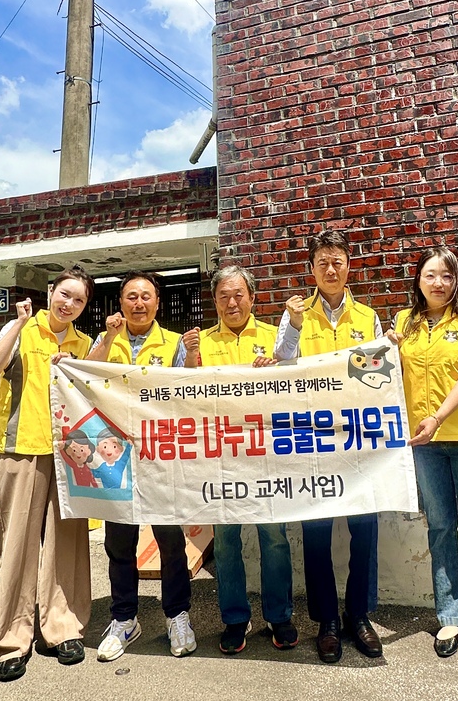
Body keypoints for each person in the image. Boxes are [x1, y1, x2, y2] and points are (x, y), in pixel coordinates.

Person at [388, 246, 458, 670]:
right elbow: (383, 373)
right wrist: (385, 349)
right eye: (430, 275)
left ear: (457, 280)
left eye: (447, 276)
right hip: (423, 442)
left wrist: (436, 417)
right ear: (417, 279)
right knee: (440, 527)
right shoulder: (404, 322)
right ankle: (450, 619)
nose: (438, 283)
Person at [0, 266, 95, 683]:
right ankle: (11, 640)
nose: (69, 304)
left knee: (69, 543)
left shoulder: (83, 344)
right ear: (50, 292)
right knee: (18, 546)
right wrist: (19, 323)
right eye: (64, 294)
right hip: (21, 450)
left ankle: (62, 628)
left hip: (69, 454)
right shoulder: (22, 328)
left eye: (78, 300)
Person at [274, 230, 383, 663]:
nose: (331, 269)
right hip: (312, 439)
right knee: (315, 532)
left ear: (348, 266)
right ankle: (327, 621)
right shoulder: (297, 314)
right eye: (323, 263)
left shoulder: (368, 316)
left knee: (365, 530)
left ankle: (359, 616)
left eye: (337, 261)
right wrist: (295, 327)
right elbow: (283, 363)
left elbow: (378, 376)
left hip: (358, 440)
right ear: (313, 270)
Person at [182, 265, 298, 655]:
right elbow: (184, 397)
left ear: (252, 296)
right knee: (227, 542)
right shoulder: (198, 342)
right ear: (213, 301)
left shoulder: (274, 339)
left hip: (266, 456)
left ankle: (279, 615)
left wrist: (278, 369)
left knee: (274, 538)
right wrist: (190, 362)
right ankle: (234, 618)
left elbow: (298, 388)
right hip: (220, 458)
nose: (232, 303)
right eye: (223, 296)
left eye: (238, 295)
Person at [86, 270, 195, 660]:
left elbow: (188, 391)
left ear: (157, 303)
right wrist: (110, 337)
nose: (138, 303)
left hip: (161, 456)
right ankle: (125, 619)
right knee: (120, 543)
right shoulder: (104, 340)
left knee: (170, 542)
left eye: (146, 296)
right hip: (114, 457)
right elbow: (82, 378)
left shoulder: (174, 343)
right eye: (131, 296)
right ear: (120, 303)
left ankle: (177, 615)